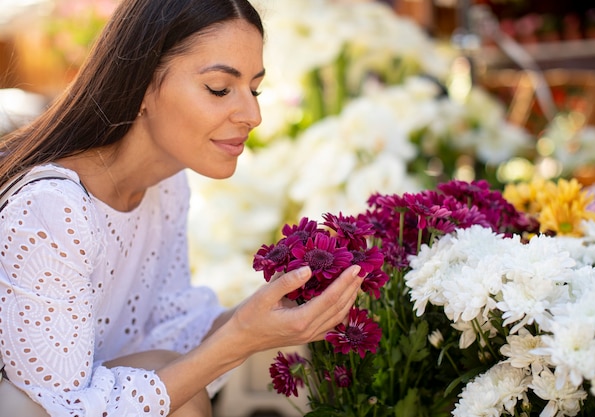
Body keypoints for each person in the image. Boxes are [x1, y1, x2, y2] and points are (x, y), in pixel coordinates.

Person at [0, 0, 364, 415]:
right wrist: (241, 338)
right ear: (139, 85)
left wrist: (264, 315)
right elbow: (65, 405)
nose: (253, 114)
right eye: (219, 89)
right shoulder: (51, 209)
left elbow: (164, 332)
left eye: (254, 88)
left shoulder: (166, 185)